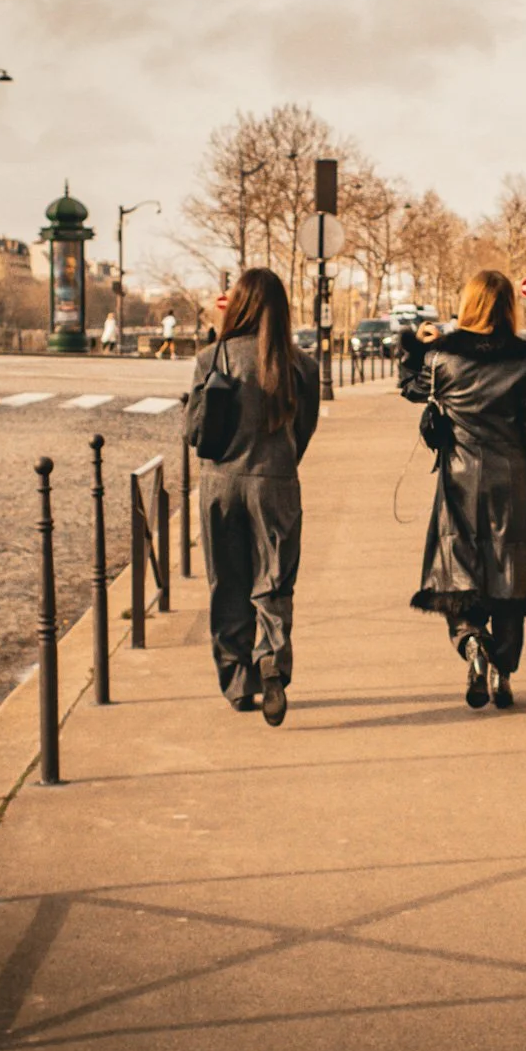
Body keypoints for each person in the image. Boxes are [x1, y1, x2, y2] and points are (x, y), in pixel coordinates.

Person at [400, 270, 526, 711]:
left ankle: (472, 642)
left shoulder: (443, 358)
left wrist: (416, 346)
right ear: (507, 309)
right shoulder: (522, 361)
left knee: (459, 575)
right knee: (511, 583)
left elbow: (410, 388)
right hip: (512, 482)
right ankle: (502, 670)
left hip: (459, 481)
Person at [184, 268, 320, 726]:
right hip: (275, 480)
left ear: (237, 305)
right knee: (274, 582)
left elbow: (193, 432)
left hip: (220, 482)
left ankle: (238, 682)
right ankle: (272, 664)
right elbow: (304, 432)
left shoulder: (211, 358)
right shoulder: (301, 365)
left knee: (227, 583)